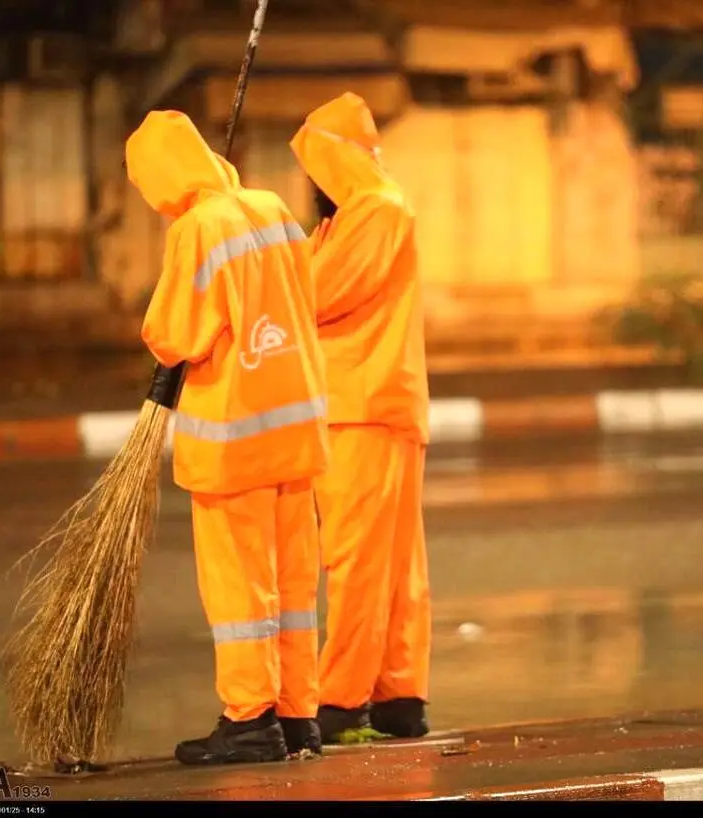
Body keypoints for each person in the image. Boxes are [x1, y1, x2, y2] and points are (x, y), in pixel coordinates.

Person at [126, 109, 329, 765]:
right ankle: (298, 716)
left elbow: (174, 334)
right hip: (296, 427)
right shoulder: (272, 208)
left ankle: (249, 722)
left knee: (241, 589)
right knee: (293, 585)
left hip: (235, 437)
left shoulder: (198, 228)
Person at [289, 92, 432, 742]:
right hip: (374, 404)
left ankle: (341, 698)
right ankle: (398, 695)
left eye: (312, 169)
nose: (309, 185)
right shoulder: (350, 219)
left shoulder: (375, 210)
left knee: (355, 559)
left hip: (362, 407)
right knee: (393, 563)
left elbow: (313, 295)